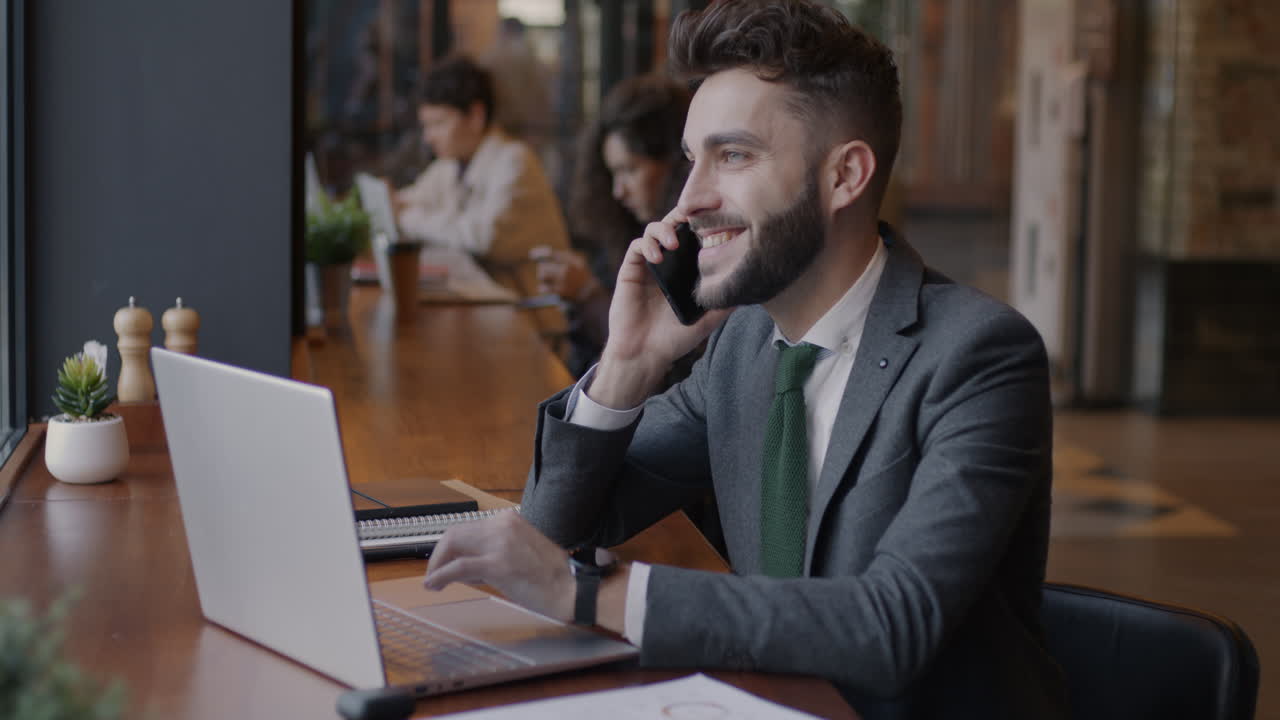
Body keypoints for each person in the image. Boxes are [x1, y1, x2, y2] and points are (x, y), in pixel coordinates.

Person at [423, 2, 1066, 718]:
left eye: (733, 157)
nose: (689, 201)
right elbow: (559, 524)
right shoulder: (741, 347)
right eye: (694, 159)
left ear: (845, 175)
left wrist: (587, 593)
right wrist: (628, 363)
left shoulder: (979, 356)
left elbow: (894, 626)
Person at [538, 74, 692, 377]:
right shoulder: (628, 234)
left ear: (676, 161)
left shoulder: (694, 250)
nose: (617, 191)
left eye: (630, 170)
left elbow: (669, 363)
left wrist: (586, 293)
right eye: (612, 174)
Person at [395, 55, 569, 272]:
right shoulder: (450, 165)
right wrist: (400, 207)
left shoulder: (514, 161)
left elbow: (485, 238)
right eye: (426, 126)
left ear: (476, 116)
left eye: (438, 123)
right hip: (485, 295)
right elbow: (405, 201)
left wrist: (408, 217)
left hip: (525, 301)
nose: (428, 137)